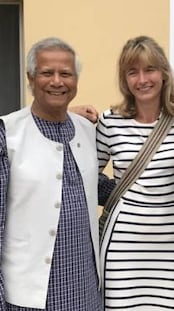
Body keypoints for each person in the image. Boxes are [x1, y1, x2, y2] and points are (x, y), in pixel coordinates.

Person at [0, 37, 102, 310]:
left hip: (86, 293)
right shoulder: (4, 136)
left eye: (66, 74)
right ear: (31, 78)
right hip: (27, 299)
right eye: (47, 73)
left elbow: (89, 183)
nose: (57, 81)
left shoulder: (87, 130)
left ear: (76, 80)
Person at [97, 35, 174, 310]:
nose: (142, 79)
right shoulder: (110, 121)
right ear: (125, 79)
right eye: (133, 72)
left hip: (168, 245)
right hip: (123, 250)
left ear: (164, 73)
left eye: (149, 69)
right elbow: (84, 173)